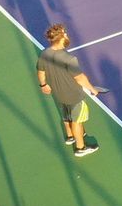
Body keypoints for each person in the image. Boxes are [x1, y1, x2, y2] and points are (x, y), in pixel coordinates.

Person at [36, 23, 106, 158]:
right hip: (74, 95)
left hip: (58, 93)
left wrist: (43, 85)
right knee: (77, 121)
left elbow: (40, 72)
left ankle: (70, 137)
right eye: (65, 34)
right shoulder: (69, 59)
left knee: (66, 115)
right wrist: (93, 90)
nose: (67, 35)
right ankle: (80, 148)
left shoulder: (45, 54)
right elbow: (80, 78)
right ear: (61, 38)